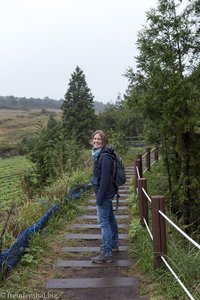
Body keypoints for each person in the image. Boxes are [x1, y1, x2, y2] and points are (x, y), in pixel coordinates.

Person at [90, 130, 119, 264]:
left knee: (103, 223)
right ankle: (113, 244)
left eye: (99, 139)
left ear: (104, 142)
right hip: (107, 193)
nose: (96, 141)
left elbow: (105, 180)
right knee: (110, 218)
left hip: (105, 194)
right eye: (95, 139)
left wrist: (99, 198)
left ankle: (107, 253)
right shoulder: (99, 154)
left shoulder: (105, 157)